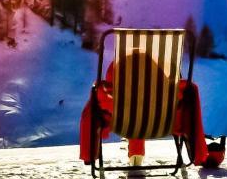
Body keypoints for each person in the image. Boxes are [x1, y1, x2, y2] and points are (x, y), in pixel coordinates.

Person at [79, 60, 208, 166]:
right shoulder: (163, 67)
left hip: (123, 120)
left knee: (131, 107)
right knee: (141, 104)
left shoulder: (117, 64)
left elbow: (107, 90)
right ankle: (136, 154)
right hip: (162, 123)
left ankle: (135, 152)